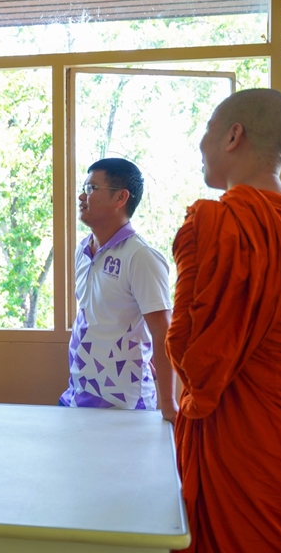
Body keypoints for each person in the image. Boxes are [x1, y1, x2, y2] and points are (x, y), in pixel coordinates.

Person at [167, 88, 281, 552]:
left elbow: (188, 351)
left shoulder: (213, 224)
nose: (200, 144)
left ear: (234, 136)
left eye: (207, 132)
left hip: (242, 441)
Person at [59, 158, 177, 422]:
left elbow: (163, 331)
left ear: (121, 198)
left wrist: (169, 404)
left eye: (91, 188)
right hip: (76, 398)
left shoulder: (141, 256)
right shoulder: (83, 249)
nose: (82, 197)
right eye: (84, 188)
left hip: (124, 407)